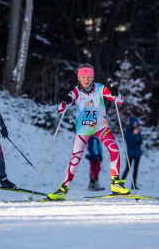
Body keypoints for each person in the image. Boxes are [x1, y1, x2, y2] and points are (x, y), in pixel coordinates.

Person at [47, 63, 130, 200]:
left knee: (114, 150)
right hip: (83, 129)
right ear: (79, 78)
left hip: (100, 127)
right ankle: (63, 189)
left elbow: (119, 101)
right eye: (84, 77)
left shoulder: (100, 88)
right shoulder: (75, 91)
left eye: (89, 77)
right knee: (75, 159)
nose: (86, 80)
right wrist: (65, 101)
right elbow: (61, 110)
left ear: (93, 78)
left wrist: (116, 93)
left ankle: (115, 183)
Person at [121, 117, 143, 189]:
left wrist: (139, 139)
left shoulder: (138, 131)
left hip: (137, 153)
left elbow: (140, 141)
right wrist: (134, 135)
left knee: (136, 169)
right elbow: (128, 141)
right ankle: (121, 183)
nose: (135, 125)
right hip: (130, 153)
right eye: (134, 124)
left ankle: (133, 184)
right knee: (128, 168)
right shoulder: (128, 132)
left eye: (136, 124)